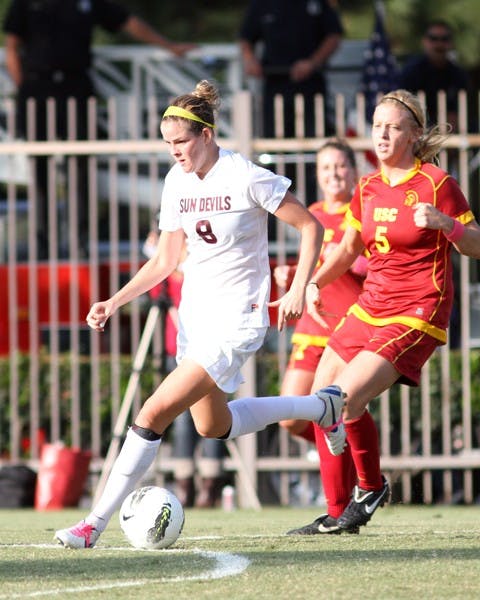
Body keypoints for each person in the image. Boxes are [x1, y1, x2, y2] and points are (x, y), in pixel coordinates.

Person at [54, 79, 346, 548]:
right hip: (195, 319)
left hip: (238, 319)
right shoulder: (176, 181)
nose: (174, 152)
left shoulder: (246, 175)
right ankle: (322, 407)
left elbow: (310, 227)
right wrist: (114, 300)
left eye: (181, 142)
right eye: (168, 144)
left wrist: (301, 284)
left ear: (207, 134)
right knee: (214, 426)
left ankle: (93, 524)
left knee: (152, 411)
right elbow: (165, 261)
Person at [290, 89, 480, 533]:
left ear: (414, 134)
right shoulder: (368, 187)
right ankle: (341, 514)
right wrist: (315, 281)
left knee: (343, 399)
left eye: (393, 127)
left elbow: (477, 245)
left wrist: (446, 224)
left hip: (417, 310)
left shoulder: (437, 183)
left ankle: (369, 489)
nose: (382, 134)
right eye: (377, 126)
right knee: (319, 402)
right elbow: (347, 247)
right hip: (371, 304)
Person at [3, 0, 196, 257]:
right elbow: (12, 47)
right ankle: (43, 245)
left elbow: (128, 22)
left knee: (82, 168)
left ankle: (78, 243)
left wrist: (168, 46)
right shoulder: (25, 3)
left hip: (77, 88)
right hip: (38, 91)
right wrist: (24, 89)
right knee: (40, 170)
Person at [273, 139, 367, 534]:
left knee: (330, 410)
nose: (334, 174)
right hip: (313, 326)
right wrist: (290, 274)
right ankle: (350, 466)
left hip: (347, 325)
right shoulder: (311, 214)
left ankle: (349, 494)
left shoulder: (361, 211)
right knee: (292, 419)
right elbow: (310, 263)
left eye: (341, 167)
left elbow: (362, 264)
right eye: (326, 168)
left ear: (352, 170)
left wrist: (340, 262)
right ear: (317, 175)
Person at [143, 229, 225, 508]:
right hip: (175, 351)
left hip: (204, 350)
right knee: (181, 420)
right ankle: (184, 481)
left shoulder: (201, 271)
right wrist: (153, 254)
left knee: (212, 417)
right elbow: (155, 292)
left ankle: (210, 483)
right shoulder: (169, 274)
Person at [238, 0, 344, 203]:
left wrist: (312, 63)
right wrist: (250, 59)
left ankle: (316, 208)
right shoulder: (261, 5)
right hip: (274, 89)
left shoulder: (318, 3)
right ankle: (274, 214)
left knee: (314, 150)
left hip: (310, 90)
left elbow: (334, 35)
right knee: (273, 153)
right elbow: (245, 38)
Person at [398, 20, 469, 131]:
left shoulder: (458, 75)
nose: (439, 44)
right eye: (433, 38)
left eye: (444, 39)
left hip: (448, 133)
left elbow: (460, 113)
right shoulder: (411, 72)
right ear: (425, 41)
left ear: (450, 43)